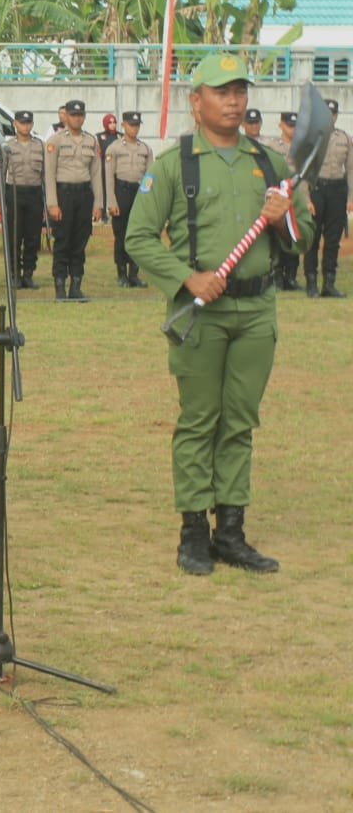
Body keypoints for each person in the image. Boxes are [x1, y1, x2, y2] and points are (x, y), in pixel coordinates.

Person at [125, 52, 313, 576]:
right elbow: (139, 236)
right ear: (196, 101)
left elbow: (303, 240)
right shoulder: (175, 164)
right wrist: (187, 278)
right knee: (199, 419)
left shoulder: (271, 165)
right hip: (199, 312)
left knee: (239, 421)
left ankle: (230, 531)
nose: (234, 101)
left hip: (256, 311)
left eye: (240, 91)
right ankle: (193, 532)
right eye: (222, 92)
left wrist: (283, 220)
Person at [44, 99, 103, 301]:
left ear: (84, 117)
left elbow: (96, 174)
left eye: (80, 115)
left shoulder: (91, 141)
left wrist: (98, 204)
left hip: (84, 195)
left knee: (80, 242)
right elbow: (49, 174)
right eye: (73, 115)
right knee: (62, 242)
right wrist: (52, 203)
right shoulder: (56, 140)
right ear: (66, 117)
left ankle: (76, 287)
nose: (77, 119)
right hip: (63, 195)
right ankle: (60, 286)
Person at [303, 98, 350, 299]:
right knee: (312, 238)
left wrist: (350, 196)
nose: (330, 117)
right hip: (317, 189)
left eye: (333, 114)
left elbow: (351, 169)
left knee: (333, 240)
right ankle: (311, 283)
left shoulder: (345, 138)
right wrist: (306, 198)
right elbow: (303, 171)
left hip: (337, 191)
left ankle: (329, 283)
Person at [104, 112, 153, 288]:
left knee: (138, 234)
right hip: (121, 191)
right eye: (131, 125)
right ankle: (122, 273)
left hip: (138, 193)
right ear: (123, 125)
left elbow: (149, 177)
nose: (134, 128)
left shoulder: (145, 149)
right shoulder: (114, 148)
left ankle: (134, 274)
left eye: (137, 125)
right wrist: (111, 202)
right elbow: (109, 177)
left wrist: (147, 200)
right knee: (121, 235)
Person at [2, 111, 46, 289]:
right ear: (15, 124)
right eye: (22, 123)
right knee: (14, 236)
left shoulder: (40, 145)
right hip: (14, 192)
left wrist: (48, 199)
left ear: (32, 125)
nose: (25, 126)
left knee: (32, 237)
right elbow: (1, 172)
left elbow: (45, 175)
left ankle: (28, 274)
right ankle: (14, 275)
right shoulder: (7, 146)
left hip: (34, 193)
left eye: (28, 123)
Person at [265, 113, 302, 291]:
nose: (292, 129)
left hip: (295, 195)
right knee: (279, 233)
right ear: (281, 125)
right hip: (279, 193)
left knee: (294, 232)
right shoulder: (272, 145)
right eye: (289, 125)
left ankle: (291, 276)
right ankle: (278, 275)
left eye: (295, 126)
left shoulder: (302, 146)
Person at [96, 113, 120, 218]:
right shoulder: (99, 136)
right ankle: (103, 214)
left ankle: (116, 210)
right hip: (104, 167)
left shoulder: (120, 136)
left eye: (114, 122)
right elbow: (97, 152)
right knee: (104, 190)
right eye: (110, 122)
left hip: (118, 167)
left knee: (117, 190)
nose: (112, 124)